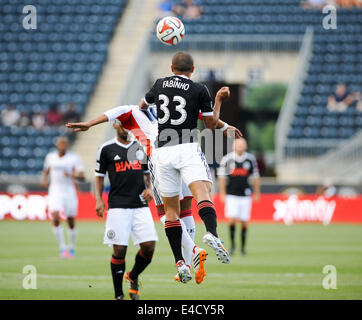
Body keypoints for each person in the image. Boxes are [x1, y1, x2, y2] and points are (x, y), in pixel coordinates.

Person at [66, 100, 242, 284]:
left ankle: (193, 251)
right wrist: (226, 126)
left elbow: (108, 114)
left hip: (161, 159)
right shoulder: (168, 107)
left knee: (166, 213)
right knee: (186, 209)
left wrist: (88, 124)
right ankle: (191, 261)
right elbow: (207, 117)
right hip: (186, 154)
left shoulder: (129, 110)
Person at [140, 51, 231, 282]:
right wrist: (218, 101)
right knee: (202, 191)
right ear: (193, 69)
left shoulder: (159, 84)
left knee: (171, 211)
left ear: (172, 67)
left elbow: (143, 105)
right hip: (186, 146)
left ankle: (180, 263)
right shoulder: (200, 89)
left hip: (162, 151)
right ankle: (211, 233)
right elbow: (210, 125)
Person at [94, 122, 157, 300]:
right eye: (123, 125)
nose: (127, 128)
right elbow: (98, 177)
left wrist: (150, 189)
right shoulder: (106, 148)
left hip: (140, 203)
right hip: (118, 206)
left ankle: (133, 275)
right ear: (115, 125)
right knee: (119, 250)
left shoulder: (140, 147)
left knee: (149, 246)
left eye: (130, 125)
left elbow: (147, 173)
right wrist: (99, 200)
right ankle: (119, 295)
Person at [41, 136, 85, 259]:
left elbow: (82, 176)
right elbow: (46, 170)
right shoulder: (50, 157)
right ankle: (62, 247)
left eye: (65, 143)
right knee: (55, 216)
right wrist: (44, 179)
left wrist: (71, 174)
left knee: (70, 220)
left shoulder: (73, 158)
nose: (63, 145)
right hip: (55, 190)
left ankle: (71, 247)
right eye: (61, 143)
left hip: (69, 191)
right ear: (57, 145)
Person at [218, 138, 260, 256]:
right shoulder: (227, 159)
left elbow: (256, 177)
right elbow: (222, 177)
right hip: (231, 195)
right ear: (233, 146)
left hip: (245, 195)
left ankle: (242, 248)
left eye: (242, 144)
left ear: (246, 146)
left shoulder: (250, 159)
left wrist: (256, 193)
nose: (240, 146)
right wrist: (222, 193)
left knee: (244, 221)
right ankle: (232, 246)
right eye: (238, 144)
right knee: (231, 220)